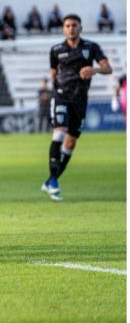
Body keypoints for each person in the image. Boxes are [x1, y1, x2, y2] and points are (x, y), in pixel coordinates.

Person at [41, 14, 112, 201]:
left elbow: (108, 68)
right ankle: (54, 182)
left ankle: (51, 179)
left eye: (74, 25)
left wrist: (93, 70)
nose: (71, 28)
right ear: (63, 29)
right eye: (67, 26)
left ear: (80, 28)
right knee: (59, 132)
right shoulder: (56, 50)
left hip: (80, 100)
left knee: (71, 143)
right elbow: (53, 73)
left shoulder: (91, 47)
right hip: (61, 96)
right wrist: (57, 92)